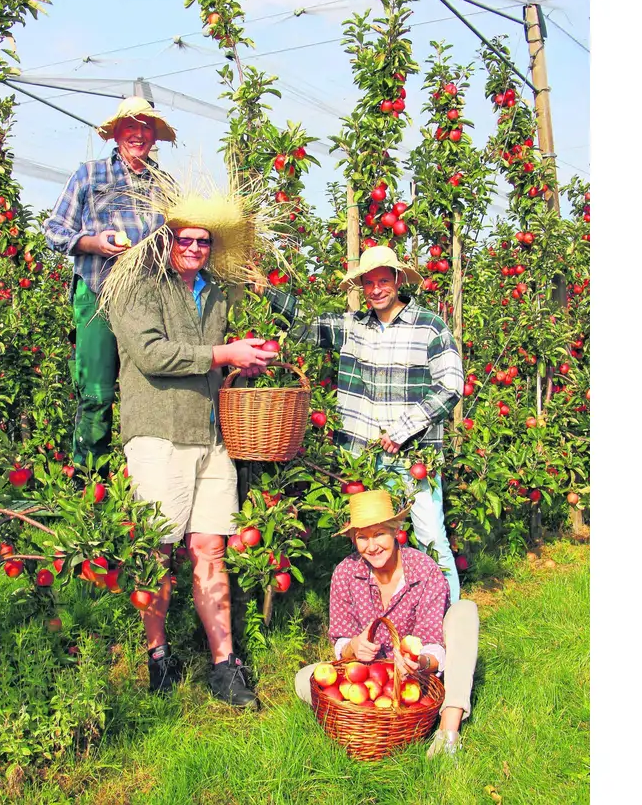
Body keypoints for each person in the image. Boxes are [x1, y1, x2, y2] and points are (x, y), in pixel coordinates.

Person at [102, 180, 278, 706]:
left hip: (210, 434)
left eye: (204, 242)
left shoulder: (217, 295)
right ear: (167, 240)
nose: (195, 249)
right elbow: (153, 355)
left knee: (210, 547)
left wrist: (242, 364)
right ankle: (158, 656)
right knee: (159, 549)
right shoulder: (137, 287)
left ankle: (225, 664)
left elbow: (211, 360)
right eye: (186, 240)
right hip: (158, 433)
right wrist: (224, 355)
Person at [267, 245, 467, 601]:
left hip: (413, 457)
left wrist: (404, 430)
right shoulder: (353, 326)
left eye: (383, 281)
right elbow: (304, 327)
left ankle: (447, 619)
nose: (376, 289)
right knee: (375, 543)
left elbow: (452, 385)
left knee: (430, 537)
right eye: (368, 283)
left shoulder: (429, 326)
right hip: (362, 458)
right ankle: (394, 616)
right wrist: (264, 290)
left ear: (397, 280)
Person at [293, 489, 479, 758]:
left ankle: (448, 734)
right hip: (370, 680)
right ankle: (374, 724)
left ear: (395, 531)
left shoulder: (424, 570)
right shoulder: (346, 573)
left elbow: (434, 644)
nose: (372, 546)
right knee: (304, 678)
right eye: (362, 538)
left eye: (379, 533)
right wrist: (353, 648)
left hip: (419, 681)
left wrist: (420, 662)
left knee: (465, 611)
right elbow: (341, 643)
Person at [44, 96, 176, 470]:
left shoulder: (165, 184)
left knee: (151, 389)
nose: (138, 134)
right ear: (117, 133)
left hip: (147, 299)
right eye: (130, 126)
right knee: (98, 393)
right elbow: (54, 231)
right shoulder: (90, 174)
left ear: (154, 137)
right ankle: (89, 483)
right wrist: (93, 243)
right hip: (97, 291)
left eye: (145, 127)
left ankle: (142, 484)